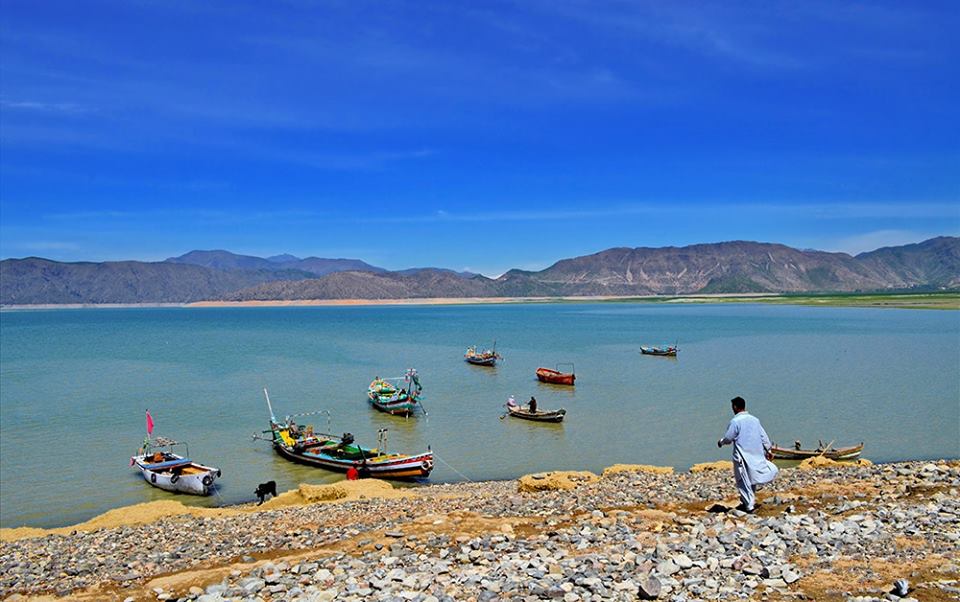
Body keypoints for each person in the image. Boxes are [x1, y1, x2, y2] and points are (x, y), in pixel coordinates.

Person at [717, 396, 778, 513]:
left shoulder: (735, 421)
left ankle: (749, 506)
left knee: (742, 480)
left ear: (735, 407)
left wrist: (721, 442)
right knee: (751, 479)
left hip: (742, 456)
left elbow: (729, 438)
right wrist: (768, 450)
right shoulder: (755, 420)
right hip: (756, 454)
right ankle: (748, 501)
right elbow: (764, 437)